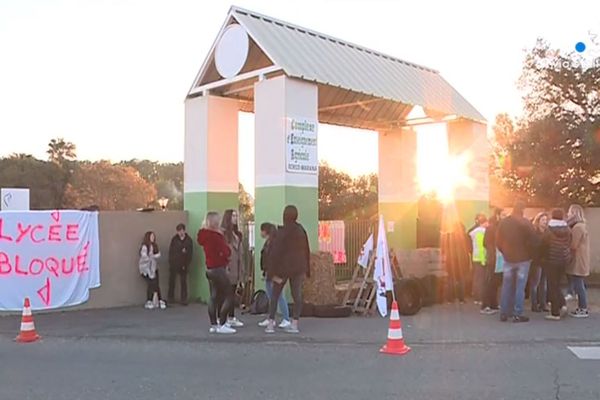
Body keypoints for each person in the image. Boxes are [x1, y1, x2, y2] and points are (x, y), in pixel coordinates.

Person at [265, 205, 310, 334]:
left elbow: (275, 253)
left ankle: (270, 323)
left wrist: (271, 273)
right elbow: (306, 250)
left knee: (275, 295)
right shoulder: (301, 231)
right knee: (297, 296)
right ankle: (294, 323)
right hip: (298, 268)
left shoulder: (282, 232)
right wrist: (307, 269)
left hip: (282, 269)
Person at [497, 200, 536, 322]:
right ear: (523, 210)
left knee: (506, 286)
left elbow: (498, 241)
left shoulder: (504, 223)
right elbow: (533, 240)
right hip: (523, 259)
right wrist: (530, 254)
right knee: (520, 287)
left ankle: (504, 313)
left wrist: (505, 252)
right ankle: (517, 313)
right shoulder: (526, 223)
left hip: (508, 258)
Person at [197, 211, 236, 334]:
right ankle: (223, 322)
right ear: (215, 222)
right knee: (229, 295)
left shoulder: (203, 235)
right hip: (219, 268)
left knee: (213, 296)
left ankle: (214, 324)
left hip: (209, 269)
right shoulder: (217, 236)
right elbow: (226, 252)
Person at [257, 223, 291, 329]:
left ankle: (285, 318)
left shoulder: (272, 243)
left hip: (272, 273)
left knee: (278, 295)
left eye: (261, 230)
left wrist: (270, 273)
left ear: (264, 231)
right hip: (269, 272)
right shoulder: (269, 242)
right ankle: (271, 317)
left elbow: (270, 259)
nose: (260, 233)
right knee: (272, 296)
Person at [541, 209, 571, 321]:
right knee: (557, 284)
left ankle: (555, 312)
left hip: (551, 260)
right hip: (563, 259)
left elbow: (543, 245)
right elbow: (569, 242)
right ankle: (562, 305)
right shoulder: (567, 229)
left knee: (552, 286)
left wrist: (542, 258)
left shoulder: (549, 230)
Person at [220, 209, 245, 328]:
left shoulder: (237, 234)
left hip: (236, 266)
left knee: (232, 292)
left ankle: (231, 316)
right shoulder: (224, 234)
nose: (235, 218)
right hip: (228, 266)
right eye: (233, 216)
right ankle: (224, 317)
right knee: (227, 294)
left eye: (236, 216)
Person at [566, 204, 590, 318]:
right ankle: (582, 307)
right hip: (581, 259)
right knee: (579, 284)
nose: (568, 214)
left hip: (578, 260)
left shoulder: (577, 228)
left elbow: (573, 245)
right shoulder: (581, 226)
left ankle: (583, 308)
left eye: (570, 212)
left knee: (579, 285)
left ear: (574, 214)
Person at [480, 208, 502, 314]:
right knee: (490, 281)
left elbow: (484, 243)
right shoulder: (493, 227)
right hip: (494, 258)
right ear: (498, 215)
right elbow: (486, 243)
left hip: (495, 257)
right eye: (503, 214)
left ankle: (493, 304)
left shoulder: (495, 226)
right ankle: (486, 305)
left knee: (494, 282)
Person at [138, 231, 166, 310]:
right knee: (151, 283)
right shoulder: (144, 247)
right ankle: (149, 301)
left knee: (156, 283)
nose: (153, 238)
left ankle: (159, 300)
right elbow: (144, 257)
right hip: (146, 269)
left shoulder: (155, 246)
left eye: (153, 236)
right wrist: (152, 257)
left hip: (154, 268)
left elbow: (158, 255)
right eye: (151, 236)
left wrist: (153, 256)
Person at [168, 223, 193, 305]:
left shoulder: (188, 240)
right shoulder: (174, 239)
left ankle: (184, 299)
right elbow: (171, 251)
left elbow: (190, 253)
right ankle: (170, 297)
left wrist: (187, 263)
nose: (180, 233)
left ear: (184, 231)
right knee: (172, 281)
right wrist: (171, 261)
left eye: (182, 231)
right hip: (174, 262)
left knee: (183, 281)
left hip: (184, 263)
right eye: (179, 231)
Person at [529, 212, 549, 312]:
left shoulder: (547, 232)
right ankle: (534, 304)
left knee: (543, 284)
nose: (545, 222)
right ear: (538, 221)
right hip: (536, 261)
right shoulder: (534, 232)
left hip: (545, 261)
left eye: (546, 220)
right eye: (543, 220)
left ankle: (543, 304)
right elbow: (533, 247)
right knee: (535, 283)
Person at [469, 214, 488, 305]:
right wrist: (484, 260)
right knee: (481, 279)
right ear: (484, 223)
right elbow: (481, 247)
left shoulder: (473, 232)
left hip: (475, 257)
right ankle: (480, 298)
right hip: (481, 258)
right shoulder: (482, 232)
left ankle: (476, 296)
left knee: (476, 278)